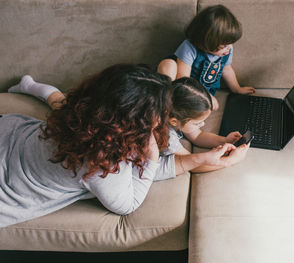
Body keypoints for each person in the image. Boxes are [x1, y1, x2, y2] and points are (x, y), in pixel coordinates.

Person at [1, 64, 248, 227]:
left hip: (9, 132)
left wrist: (197, 160)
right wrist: (152, 156)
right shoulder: (100, 161)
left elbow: (130, 170)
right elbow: (127, 203)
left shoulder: (86, 110)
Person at [157, 4, 255, 111]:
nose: (229, 48)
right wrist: (205, 95)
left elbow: (227, 70)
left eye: (230, 44)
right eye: (224, 46)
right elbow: (183, 79)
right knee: (168, 64)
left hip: (203, 92)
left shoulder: (227, 50)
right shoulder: (189, 47)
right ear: (206, 43)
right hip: (183, 86)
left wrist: (236, 89)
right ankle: (164, 101)